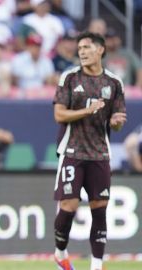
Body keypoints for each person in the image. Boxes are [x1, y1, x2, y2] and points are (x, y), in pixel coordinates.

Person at [52, 32, 127, 270]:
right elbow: (59, 114)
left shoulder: (114, 82)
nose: (82, 52)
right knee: (68, 207)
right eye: (80, 48)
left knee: (99, 210)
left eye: (86, 47)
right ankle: (60, 253)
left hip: (99, 154)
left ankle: (96, 265)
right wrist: (87, 110)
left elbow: (117, 120)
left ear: (100, 50)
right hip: (72, 152)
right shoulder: (70, 78)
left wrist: (116, 121)